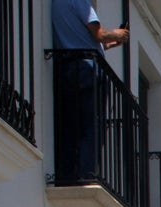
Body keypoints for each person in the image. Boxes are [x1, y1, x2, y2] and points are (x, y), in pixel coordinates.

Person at [51, 0, 129, 182]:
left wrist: (109, 44)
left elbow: (82, 37)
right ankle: (87, 173)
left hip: (68, 69)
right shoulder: (81, 2)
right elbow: (99, 33)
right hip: (88, 69)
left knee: (71, 125)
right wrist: (117, 34)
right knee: (92, 125)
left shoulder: (57, 4)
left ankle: (69, 173)